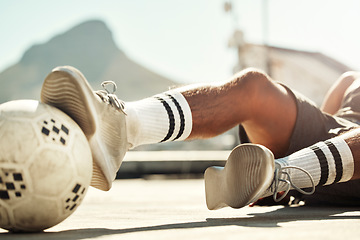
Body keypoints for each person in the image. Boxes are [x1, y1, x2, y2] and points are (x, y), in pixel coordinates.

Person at [40, 66, 360, 208]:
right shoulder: (350, 79)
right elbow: (325, 122)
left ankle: (277, 176)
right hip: (334, 140)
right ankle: (121, 128)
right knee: (254, 87)